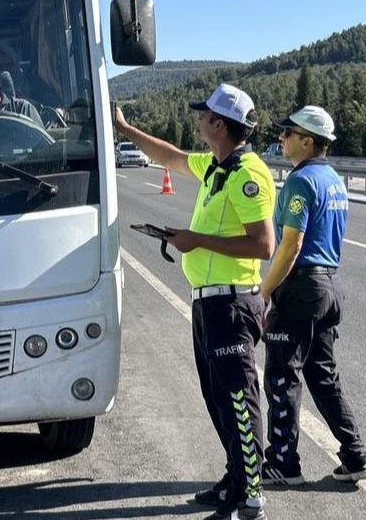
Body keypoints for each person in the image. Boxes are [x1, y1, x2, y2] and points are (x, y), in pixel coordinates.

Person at [114, 83, 275, 520]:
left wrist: (193, 240)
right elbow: (169, 157)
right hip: (209, 303)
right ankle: (235, 477)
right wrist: (125, 129)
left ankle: (252, 493)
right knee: (218, 398)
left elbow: (263, 245)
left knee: (239, 397)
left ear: (218, 124)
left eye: (204, 115)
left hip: (232, 303)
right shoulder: (217, 166)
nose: (199, 119)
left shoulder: (247, 173)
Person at [259, 105, 366, 486]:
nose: (281, 138)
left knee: (280, 374)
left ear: (307, 141)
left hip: (302, 288)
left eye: (287, 133)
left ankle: (282, 462)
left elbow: (291, 246)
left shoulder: (301, 181)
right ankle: (355, 455)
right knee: (322, 376)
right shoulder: (335, 181)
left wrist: (264, 292)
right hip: (328, 287)